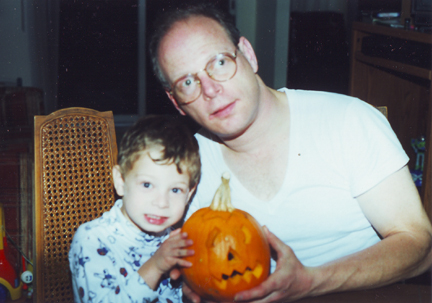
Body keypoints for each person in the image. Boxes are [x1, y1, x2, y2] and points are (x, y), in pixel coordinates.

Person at [149, 4, 432, 303]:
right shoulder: (181, 170)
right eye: (188, 82)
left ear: (247, 53)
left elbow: (420, 246)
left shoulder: (347, 120)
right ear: (176, 102)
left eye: (219, 62)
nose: (210, 90)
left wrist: (312, 282)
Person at [68, 115, 201, 303]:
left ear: (189, 194)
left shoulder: (171, 239)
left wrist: (187, 290)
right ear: (121, 181)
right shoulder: (92, 239)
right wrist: (155, 266)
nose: (162, 202)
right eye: (147, 185)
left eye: (175, 189)